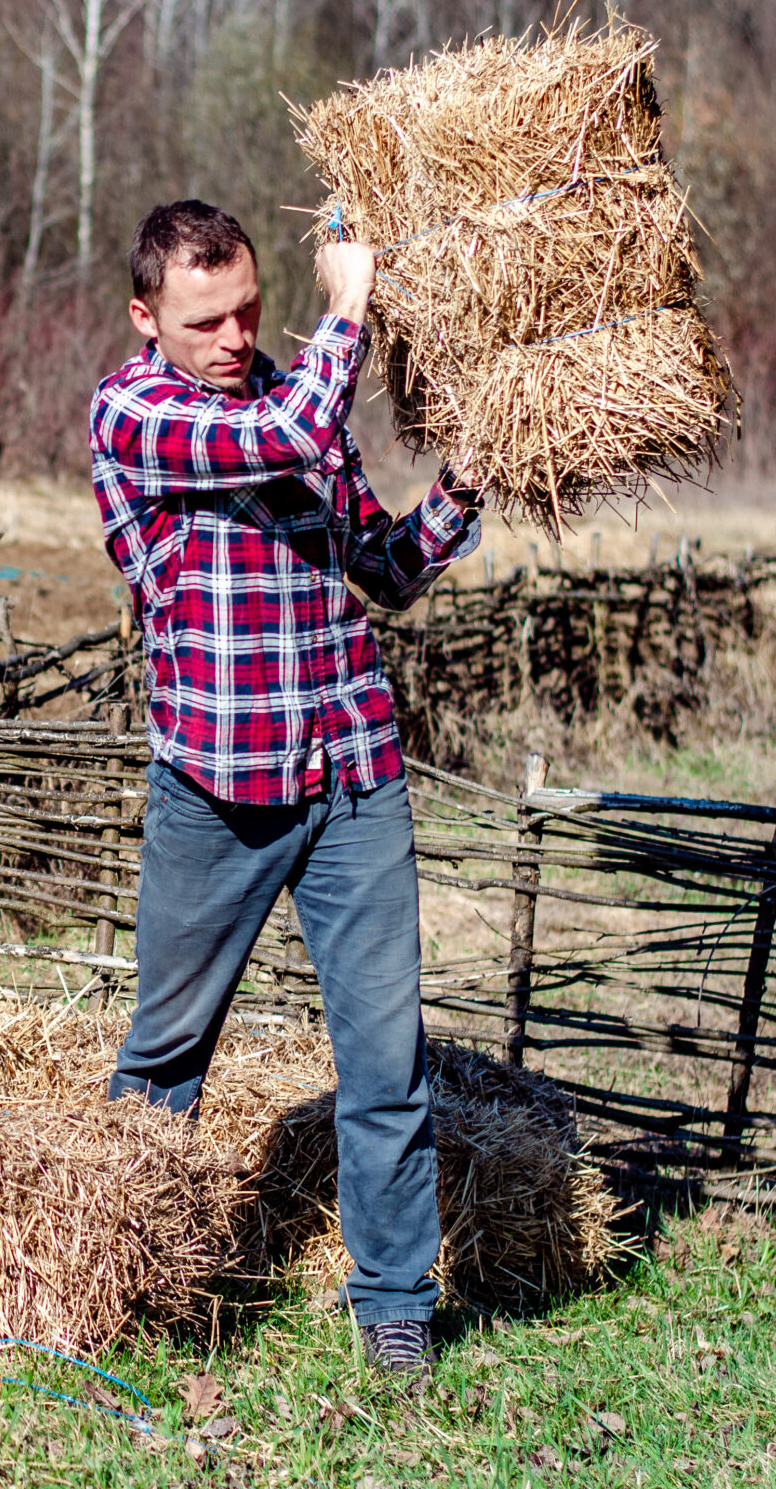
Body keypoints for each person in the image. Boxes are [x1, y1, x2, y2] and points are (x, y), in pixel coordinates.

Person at [88, 200, 482, 1374]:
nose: (232, 333)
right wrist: (348, 304)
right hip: (219, 788)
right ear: (145, 315)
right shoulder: (136, 415)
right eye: (205, 317)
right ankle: (117, 1269)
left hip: (352, 771)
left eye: (251, 307)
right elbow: (294, 423)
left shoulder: (293, 401)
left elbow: (384, 568)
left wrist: (481, 475)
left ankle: (395, 1301)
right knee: (164, 1058)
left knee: (385, 1060)